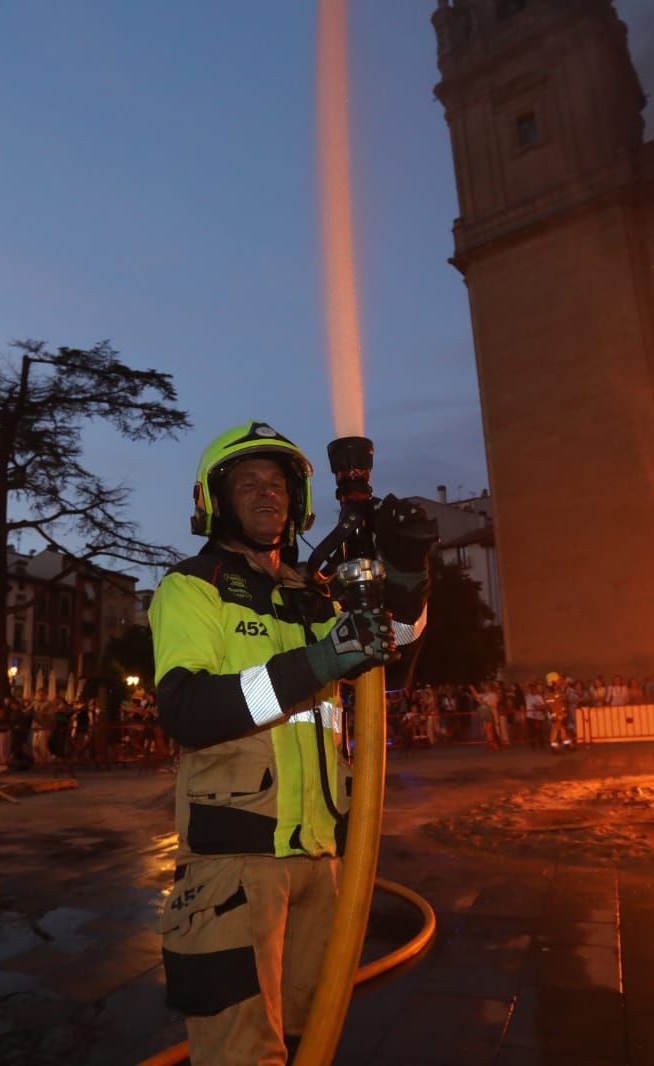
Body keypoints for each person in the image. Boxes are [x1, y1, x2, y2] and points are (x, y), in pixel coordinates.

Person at [150, 421, 432, 1065]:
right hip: (234, 865)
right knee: (240, 1052)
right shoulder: (192, 587)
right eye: (247, 482)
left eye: (277, 483)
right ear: (214, 500)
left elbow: (394, 650)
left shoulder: (314, 597)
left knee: (313, 1039)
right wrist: (317, 664)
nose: (266, 493)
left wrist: (410, 571)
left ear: (297, 500)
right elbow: (187, 710)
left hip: (323, 860)